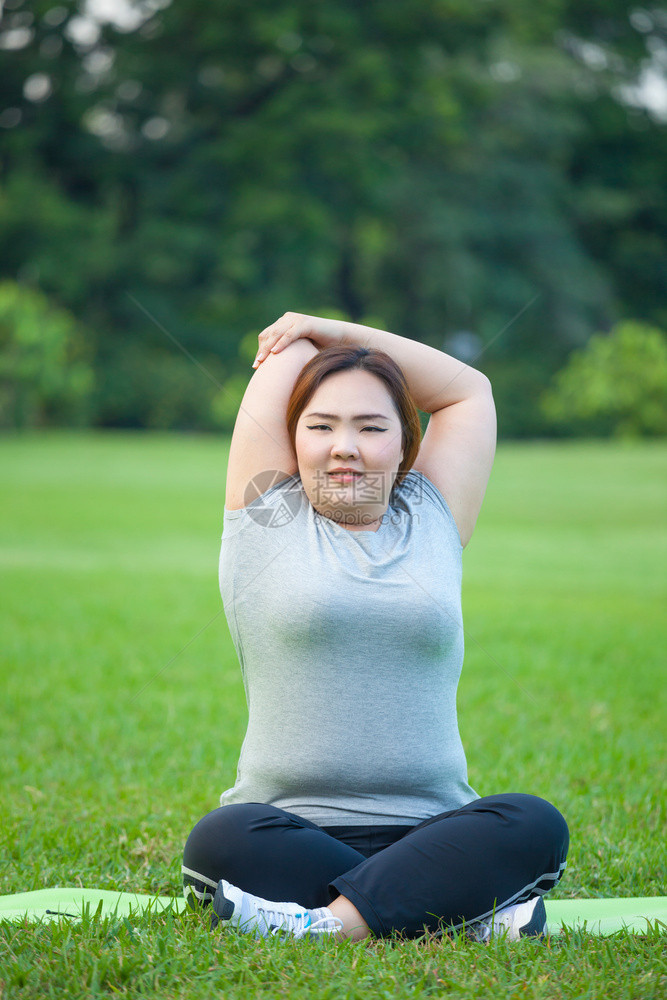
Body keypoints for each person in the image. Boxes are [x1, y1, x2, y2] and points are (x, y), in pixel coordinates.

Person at [182, 312, 569, 942]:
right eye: (321, 426)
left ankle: (324, 925)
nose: (345, 446)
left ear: (404, 442)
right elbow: (285, 355)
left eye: (371, 426)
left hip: (433, 828)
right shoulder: (266, 516)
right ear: (293, 439)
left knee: (535, 823)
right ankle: (454, 910)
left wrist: (332, 330)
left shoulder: (433, 516)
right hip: (290, 830)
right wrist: (306, 337)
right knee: (222, 839)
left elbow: (469, 389)